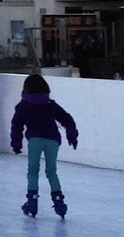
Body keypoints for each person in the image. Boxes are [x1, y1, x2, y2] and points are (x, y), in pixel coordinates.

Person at [9, 73, 79, 218]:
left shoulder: (22, 107)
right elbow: (66, 118)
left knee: (33, 171)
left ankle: (32, 204)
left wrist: (16, 143)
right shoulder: (50, 105)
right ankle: (59, 204)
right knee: (51, 172)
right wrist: (72, 136)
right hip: (53, 139)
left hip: (35, 140)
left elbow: (16, 126)